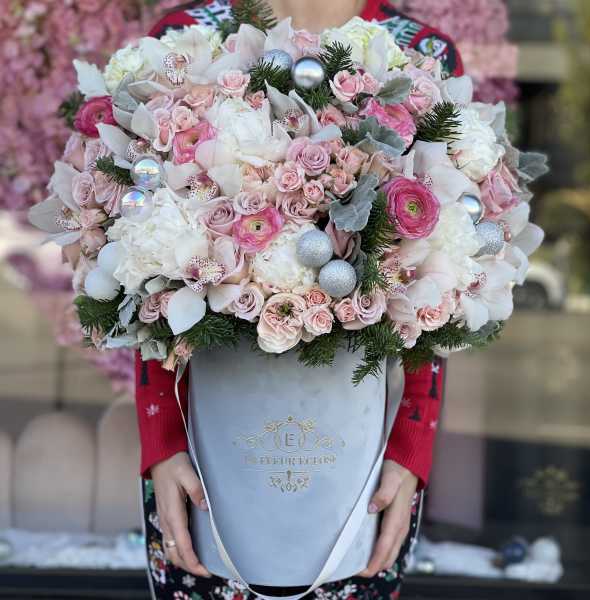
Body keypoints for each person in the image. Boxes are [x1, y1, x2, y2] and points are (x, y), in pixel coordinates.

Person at [136, 1, 462, 597]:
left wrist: (412, 446)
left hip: (366, 460)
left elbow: (436, 280)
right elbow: (145, 271)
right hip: (201, 457)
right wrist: (161, 441)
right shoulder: (187, 38)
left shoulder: (422, 53)